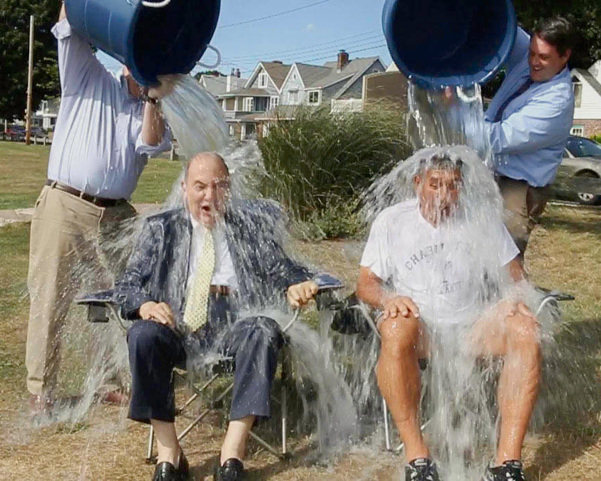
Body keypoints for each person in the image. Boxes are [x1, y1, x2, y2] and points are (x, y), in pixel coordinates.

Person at [117, 152, 319, 481]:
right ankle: (170, 453)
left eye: (219, 186)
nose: (209, 196)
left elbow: (282, 268)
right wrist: (145, 306)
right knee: (142, 335)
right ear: (184, 189)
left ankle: (232, 453)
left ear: (229, 189)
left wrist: (296, 284)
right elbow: (126, 286)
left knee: (263, 329)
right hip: (177, 325)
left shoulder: (250, 228)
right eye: (200, 187)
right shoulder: (161, 229)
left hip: (236, 321)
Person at [357, 149, 541, 481]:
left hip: (473, 327)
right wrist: (389, 298)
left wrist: (512, 298)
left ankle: (506, 464)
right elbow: (366, 285)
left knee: (525, 329)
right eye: (435, 184)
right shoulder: (392, 221)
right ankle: (418, 458)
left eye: (453, 185)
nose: (444, 194)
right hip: (423, 329)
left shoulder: (480, 219)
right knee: (396, 327)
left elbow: (517, 277)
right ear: (417, 183)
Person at [26, 4, 172, 415]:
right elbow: (70, 21)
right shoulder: (87, 75)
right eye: (136, 62)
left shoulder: (152, 109)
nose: (140, 69)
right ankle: (41, 390)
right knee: (50, 295)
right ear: (124, 61)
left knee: (120, 299)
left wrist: (153, 96)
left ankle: (111, 380)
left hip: (117, 215)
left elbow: (150, 141)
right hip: (64, 203)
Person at [485, 17, 575, 261]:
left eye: (543, 57)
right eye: (532, 53)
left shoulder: (556, 101)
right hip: (496, 172)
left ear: (564, 56)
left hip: (519, 188)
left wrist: (454, 116)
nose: (534, 62)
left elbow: (498, 138)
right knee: (477, 249)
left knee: (503, 260)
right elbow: (503, 29)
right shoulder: (529, 63)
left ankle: (515, 298)